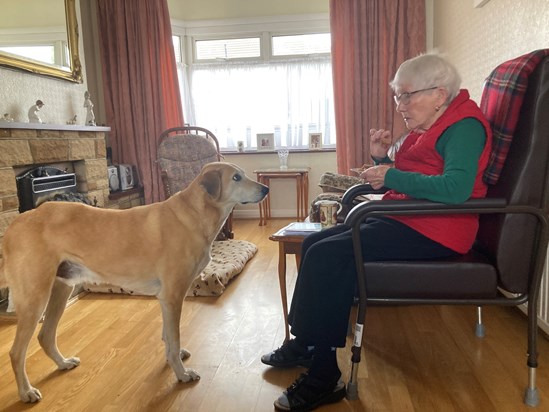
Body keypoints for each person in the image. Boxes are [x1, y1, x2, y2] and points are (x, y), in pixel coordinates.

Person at [261, 53, 493, 411]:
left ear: (439, 93)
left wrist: (391, 176)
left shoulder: (464, 126)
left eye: (406, 95)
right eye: (397, 96)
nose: (399, 105)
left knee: (327, 254)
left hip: (436, 229)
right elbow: (419, 176)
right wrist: (383, 160)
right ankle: (305, 343)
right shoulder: (432, 124)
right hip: (408, 216)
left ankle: (324, 376)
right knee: (316, 243)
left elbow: (456, 189)